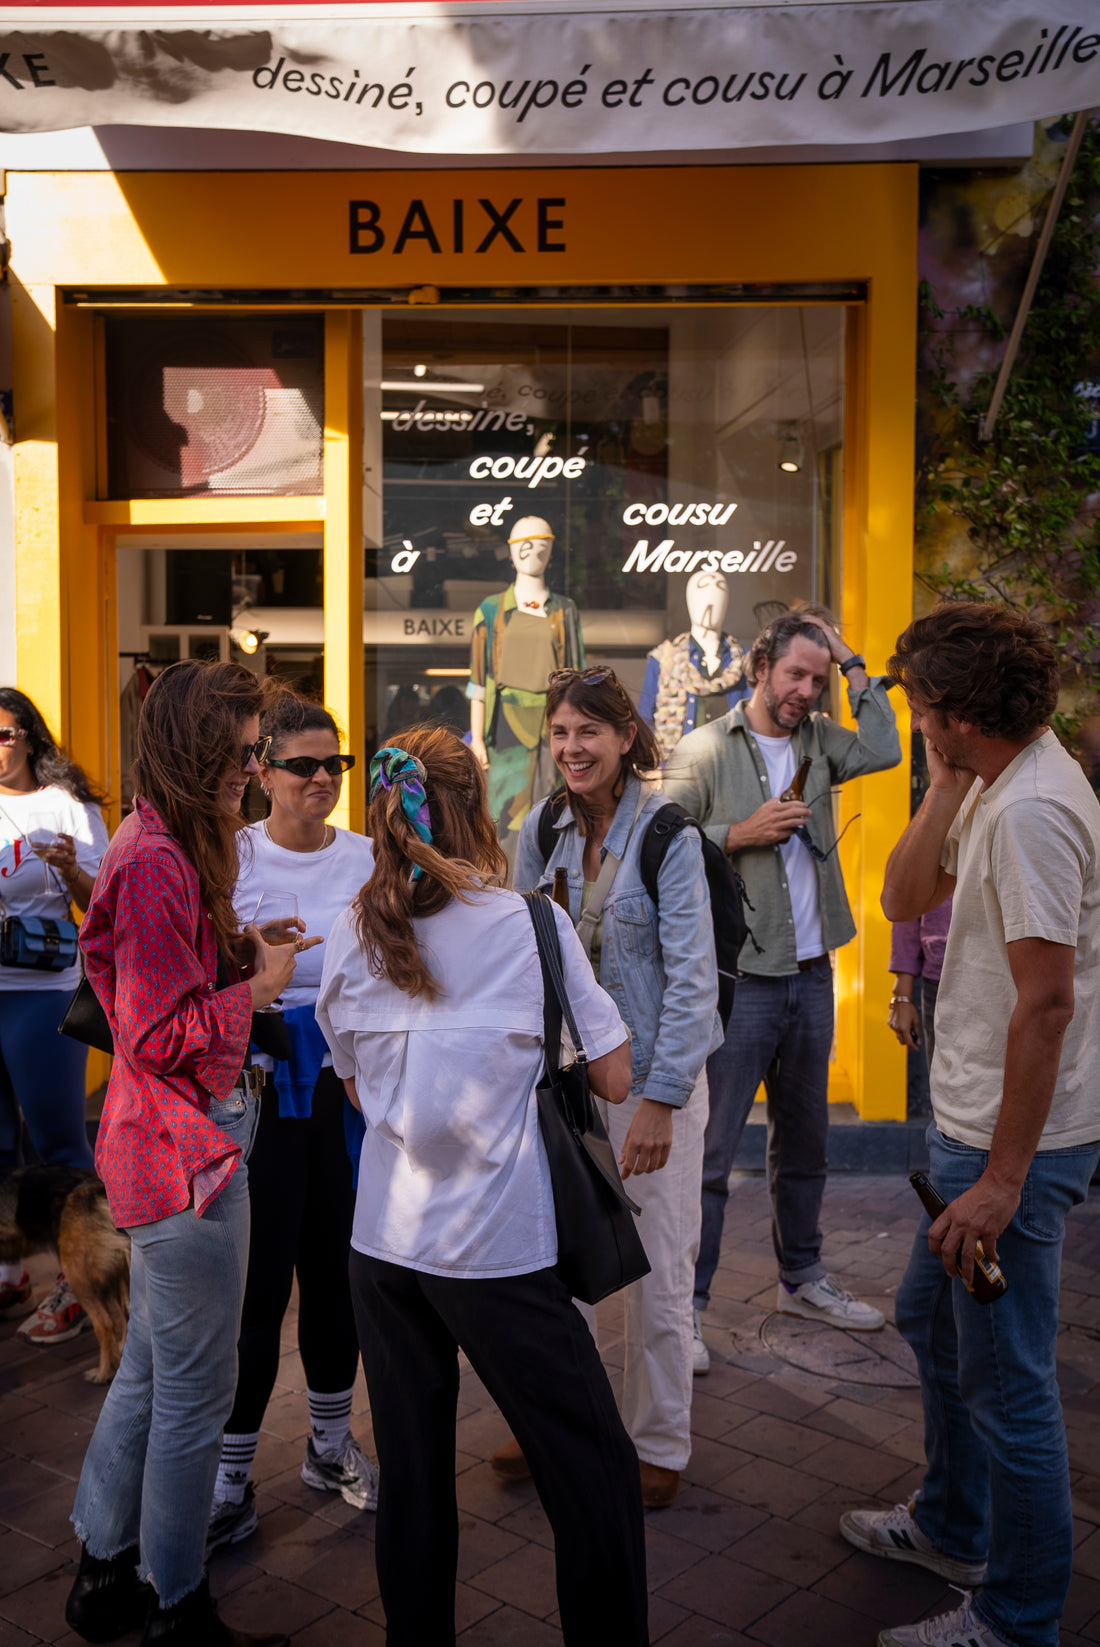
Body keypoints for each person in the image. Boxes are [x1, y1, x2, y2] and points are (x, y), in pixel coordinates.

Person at [315, 728, 648, 1647]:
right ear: (477, 810)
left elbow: (351, 1079)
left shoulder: (353, 927)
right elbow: (616, 1078)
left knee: (414, 1477)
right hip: (494, 1246)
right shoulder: (528, 923)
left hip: (383, 1245)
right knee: (591, 1467)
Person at [841, 601, 1100, 1647]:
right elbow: (905, 899)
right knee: (926, 1323)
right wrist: (943, 782)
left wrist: (999, 1180)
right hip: (966, 1132)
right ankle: (952, 1526)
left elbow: (1045, 1003)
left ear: (950, 707)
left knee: (1010, 1389)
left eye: (918, 710)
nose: (911, 724)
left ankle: (1014, 1619)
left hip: (1007, 1152)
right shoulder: (990, 782)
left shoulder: (1033, 809)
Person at [66, 660, 316, 1647]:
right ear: (199, 750)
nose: (255, 769)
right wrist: (253, 993)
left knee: (153, 1374)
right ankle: (176, 1604)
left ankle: (103, 1571)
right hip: (183, 1155)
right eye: (246, 749)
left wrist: (241, 947)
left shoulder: (155, 840)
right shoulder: (159, 855)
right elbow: (160, 1035)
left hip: (167, 1147)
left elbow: (156, 981)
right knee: (196, 1392)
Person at [662, 605, 901, 1355]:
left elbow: (889, 748)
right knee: (711, 1154)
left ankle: (801, 1279)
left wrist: (855, 662)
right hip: (741, 978)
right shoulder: (704, 748)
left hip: (811, 971)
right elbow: (655, 838)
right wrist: (738, 833)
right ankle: (688, 1309)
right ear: (759, 668)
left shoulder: (823, 742)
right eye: (795, 673)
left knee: (805, 1143)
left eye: (818, 678)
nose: (806, 689)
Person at [513, 665, 721, 1509]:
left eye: (587, 732)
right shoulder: (542, 827)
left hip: (651, 1082)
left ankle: (658, 1442)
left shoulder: (668, 833)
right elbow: (519, 949)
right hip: (567, 1081)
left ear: (625, 736)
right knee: (558, 1259)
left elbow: (693, 982)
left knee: (656, 1271)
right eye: (559, 732)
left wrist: (664, 1101)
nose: (571, 748)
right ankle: (569, 1425)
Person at [207, 682, 377, 1551]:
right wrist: (256, 976)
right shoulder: (232, 855)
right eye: (304, 766)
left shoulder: (367, 856)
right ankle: (232, 1478)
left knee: (335, 1272)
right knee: (260, 1284)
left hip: (345, 1092)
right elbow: (207, 971)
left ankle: (326, 1443)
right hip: (261, 1089)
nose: (323, 779)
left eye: (335, 763)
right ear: (264, 771)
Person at [0, 688, 109, 1342]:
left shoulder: (66, 806)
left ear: (30, 737)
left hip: (41, 991)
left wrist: (70, 871)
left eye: (5, 733)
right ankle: (9, 1268)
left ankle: (84, 1279)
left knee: (58, 1142)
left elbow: (101, 903)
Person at [888, 895, 952, 1068]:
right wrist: (902, 994)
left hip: (1008, 972)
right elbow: (909, 888)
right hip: (940, 976)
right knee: (944, 1089)